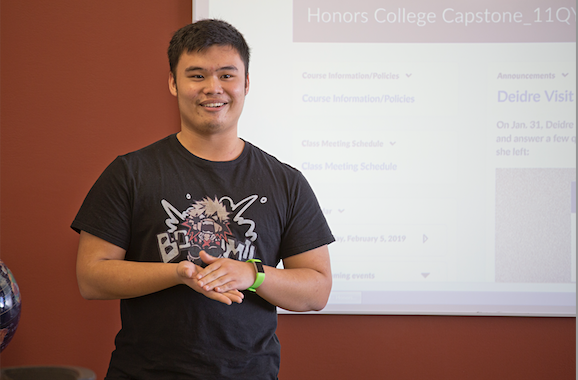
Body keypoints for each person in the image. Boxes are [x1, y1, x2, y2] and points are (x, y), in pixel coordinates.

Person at [72, 19, 334, 380]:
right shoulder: (130, 173)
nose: (214, 88)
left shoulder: (285, 182)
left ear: (246, 83)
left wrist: (251, 274)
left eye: (227, 75)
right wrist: (179, 273)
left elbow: (317, 290)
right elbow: (91, 277)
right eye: (197, 75)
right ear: (173, 83)